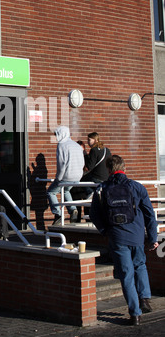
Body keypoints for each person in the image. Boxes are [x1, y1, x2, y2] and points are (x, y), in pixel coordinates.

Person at [90, 155, 159, 325]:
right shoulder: (137, 187)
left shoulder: (101, 189)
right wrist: (153, 238)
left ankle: (135, 315)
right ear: (124, 168)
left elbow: (94, 214)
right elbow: (150, 214)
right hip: (137, 236)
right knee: (140, 265)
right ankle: (144, 299)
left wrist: (105, 230)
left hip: (117, 236)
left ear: (108, 170)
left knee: (126, 274)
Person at [47, 126, 84, 224]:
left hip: (66, 176)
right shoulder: (76, 145)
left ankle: (58, 214)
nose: (56, 137)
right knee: (65, 191)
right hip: (77, 177)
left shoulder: (62, 145)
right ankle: (72, 210)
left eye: (57, 135)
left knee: (51, 192)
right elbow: (82, 162)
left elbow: (61, 164)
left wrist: (58, 178)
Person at [82, 132, 112, 199]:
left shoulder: (93, 150)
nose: (88, 142)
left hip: (97, 177)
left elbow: (90, 166)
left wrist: (85, 156)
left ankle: (90, 192)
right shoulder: (106, 149)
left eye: (89, 140)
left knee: (82, 179)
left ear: (95, 140)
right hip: (106, 177)